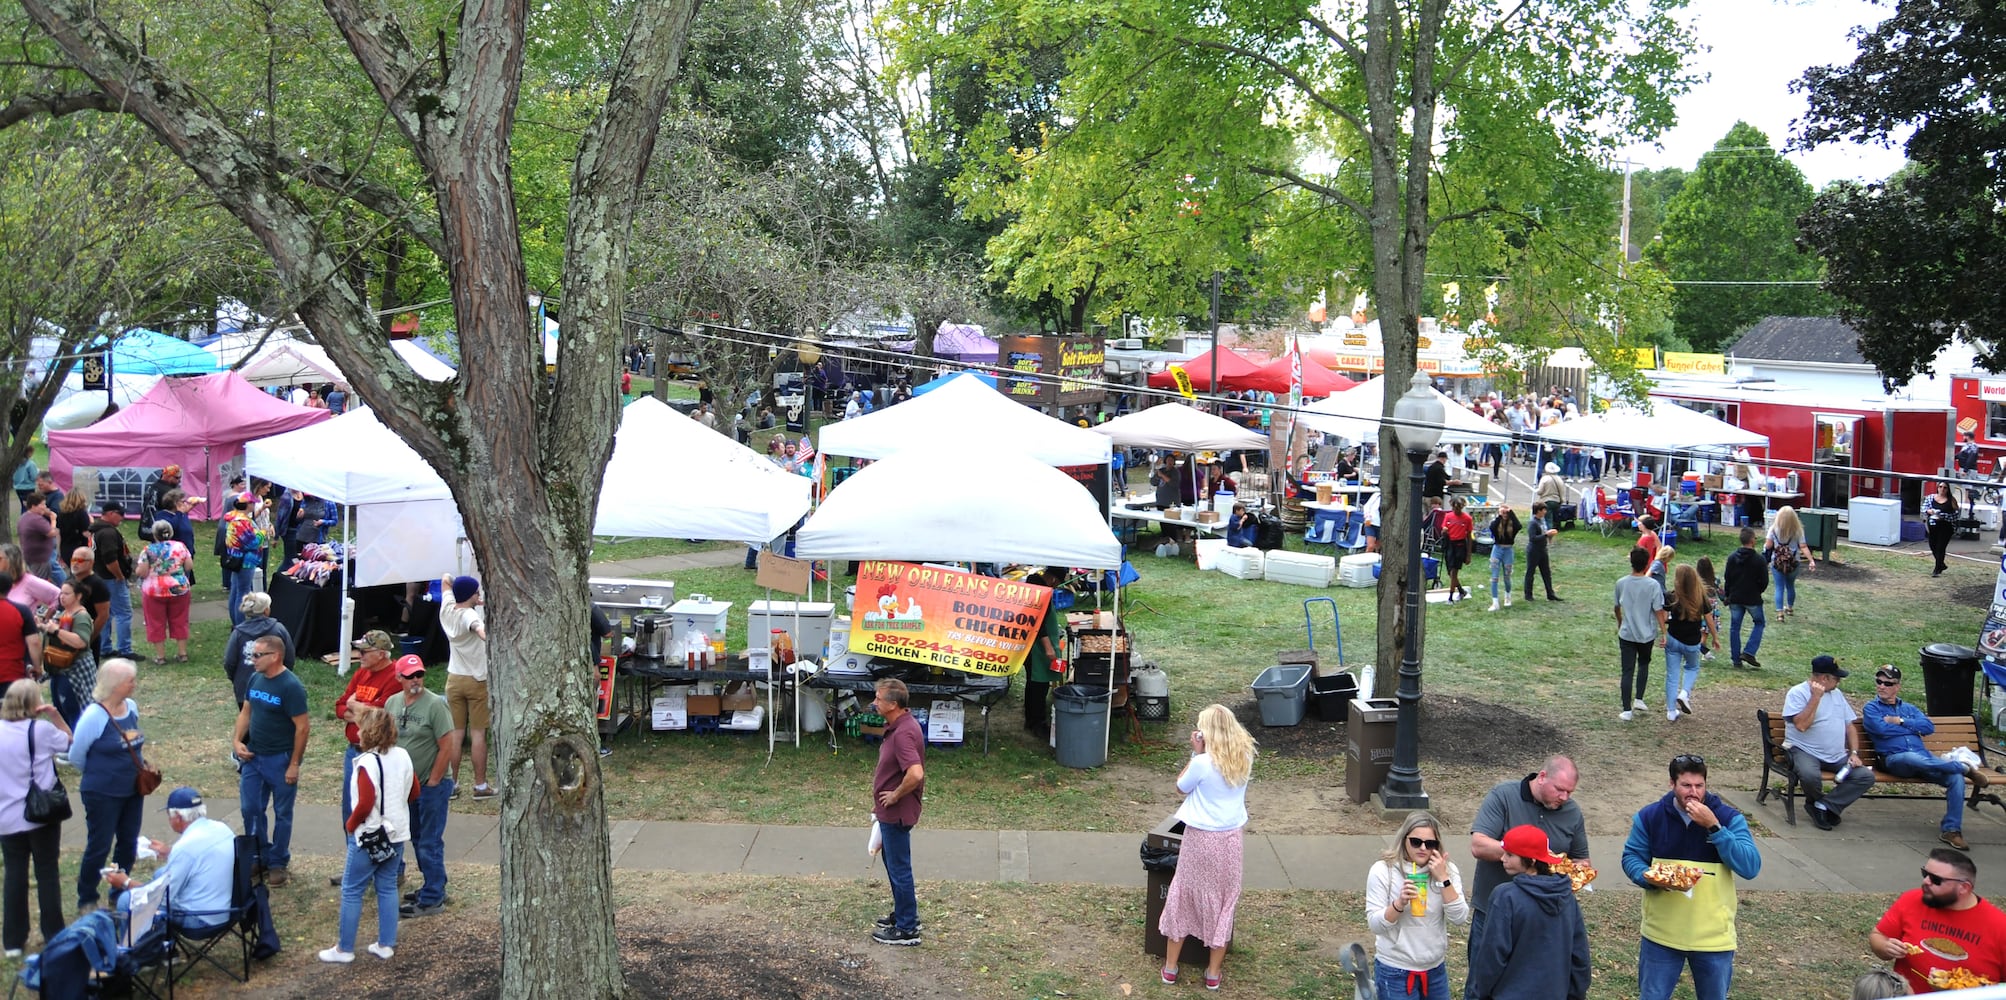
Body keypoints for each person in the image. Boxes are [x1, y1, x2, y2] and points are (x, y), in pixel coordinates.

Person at [1620, 754, 1762, 1000]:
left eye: (1699, 786)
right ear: (1672, 784)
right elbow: (1631, 857)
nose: (1693, 792)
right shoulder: (1650, 817)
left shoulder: (1729, 818)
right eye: (1686, 785)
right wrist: (1648, 877)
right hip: (1661, 936)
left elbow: (1750, 867)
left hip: (1714, 940)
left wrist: (1714, 827)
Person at [1157, 704, 1256, 990]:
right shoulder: (1245, 756)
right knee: (1223, 899)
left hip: (1200, 838)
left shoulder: (1202, 762)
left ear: (1206, 732)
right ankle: (1213, 972)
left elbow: (1180, 787)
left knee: (1184, 895)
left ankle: (1171, 967)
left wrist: (1196, 753)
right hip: (1230, 839)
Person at [1466, 756, 1590, 969]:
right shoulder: (1504, 796)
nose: (1564, 797)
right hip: (1493, 912)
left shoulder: (1572, 812)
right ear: (1542, 777)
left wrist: (1575, 873)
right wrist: (1528, 853)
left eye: (1570, 792)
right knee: (1483, 977)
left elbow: (1581, 861)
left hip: (1544, 915)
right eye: (1560, 789)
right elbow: (1479, 845)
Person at [1861, 664, 1994, 850]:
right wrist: (1910, 727)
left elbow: (1928, 728)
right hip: (1894, 759)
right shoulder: (1871, 708)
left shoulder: (1908, 709)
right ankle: (1963, 768)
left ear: (1897, 686)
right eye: (1879, 682)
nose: (1882, 686)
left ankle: (1952, 830)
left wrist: (1901, 721)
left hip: (1924, 760)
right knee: (1911, 757)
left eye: (1887, 683)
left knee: (1955, 779)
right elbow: (1880, 729)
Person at [320, 706, 414, 964]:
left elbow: (364, 803)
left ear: (369, 732)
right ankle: (386, 943)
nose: (358, 731)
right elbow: (414, 791)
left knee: (352, 890)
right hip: (396, 835)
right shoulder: (403, 756)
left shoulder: (366, 763)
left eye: (361, 727)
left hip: (370, 835)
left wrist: (351, 825)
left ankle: (344, 949)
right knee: (386, 887)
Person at [1464, 824, 1591, 1000]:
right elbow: (1579, 955)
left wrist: (1480, 992)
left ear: (1531, 861)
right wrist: (1576, 993)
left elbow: (1492, 955)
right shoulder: (1567, 897)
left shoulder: (1505, 897)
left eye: (1510, 854)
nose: (1502, 858)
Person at [1869, 847, 2006, 994]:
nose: (1926, 881)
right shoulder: (1911, 900)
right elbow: (1878, 935)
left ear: (1964, 888)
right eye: (1925, 873)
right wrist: (1885, 947)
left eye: (1936, 879)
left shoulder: (1999, 926)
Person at [69, 659, 147, 914]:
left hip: (133, 790)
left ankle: (119, 890)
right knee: (99, 845)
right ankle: (87, 898)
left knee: (127, 843)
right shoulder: (95, 716)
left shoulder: (132, 707)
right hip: (102, 794)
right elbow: (76, 756)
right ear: (115, 686)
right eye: (130, 681)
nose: (135, 685)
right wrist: (101, 775)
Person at [1366, 811, 1469, 1000]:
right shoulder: (1383, 871)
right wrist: (1399, 904)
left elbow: (1459, 918)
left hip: (1435, 968)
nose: (1423, 848)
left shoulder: (1447, 870)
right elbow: (1374, 925)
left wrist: (1443, 879)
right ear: (1404, 839)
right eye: (1416, 842)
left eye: (1430, 844)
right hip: (1395, 969)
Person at [102, 786, 235, 931]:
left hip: (200, 918)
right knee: (161, 873)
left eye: (169, 815)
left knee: (127, 900)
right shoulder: (221, 828)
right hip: (228, 909)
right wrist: (169, 852)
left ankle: (135, 950)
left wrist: (126, 882)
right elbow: (203, 856)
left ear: (178, 817)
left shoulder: (185, 847)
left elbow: (163, 897)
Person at [384, 655, 457, 918]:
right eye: (410, 676)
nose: (416, 680)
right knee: (416, 837)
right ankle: (434, 885)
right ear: (398, 678)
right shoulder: (392, 702)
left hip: (431, 785)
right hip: (407, 785)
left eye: (420, 675)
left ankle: (433, 898)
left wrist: (434, 780)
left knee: (429, 841)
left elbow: (447, 744)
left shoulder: (436, 705)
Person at [233, 634, 309, 885]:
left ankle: (277, 861)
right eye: (251, 655)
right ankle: (258, 855)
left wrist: (294, 764)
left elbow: (302, 728)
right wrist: (237, 741)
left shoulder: (291, 687)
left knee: (282, 812)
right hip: (254, 757)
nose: (252, 660)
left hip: (280, 758)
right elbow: (246, 711)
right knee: (250, 808)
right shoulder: (255, 678)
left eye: (257, 655)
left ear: (275, 656)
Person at [0, 680, 67, 957]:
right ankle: (53, 933)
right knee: (47, 872)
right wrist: (54, 715)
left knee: (14, 874)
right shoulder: (41, 731)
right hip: (40, 815)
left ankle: (14, 941)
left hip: (6, 816)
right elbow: (69, 741)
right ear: (33, 704)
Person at [1783, 654, 1876, 831]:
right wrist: (1815, 698)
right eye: (1836, 678)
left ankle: (1824, 806)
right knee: (1809, 775)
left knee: (1865, 776)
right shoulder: (1797, 693)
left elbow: (1849, 726)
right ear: (1824, 678)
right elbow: (1802, 725)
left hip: (1836, 755)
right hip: (1804, 750)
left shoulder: (1837, 694)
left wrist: (1854, 753)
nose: (1839, 682)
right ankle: (1818, 804)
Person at [869, 678, 926, 947]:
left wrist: (893, 796)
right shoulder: (900, 725)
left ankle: (907, 928)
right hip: (889, 813)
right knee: (893, 865)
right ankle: (904, 914)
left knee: (899, 868)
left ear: (893, 704)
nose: (874, 703)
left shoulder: (903, 733)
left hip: (897, 812)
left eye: (878, 699)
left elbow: (915, 774)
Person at [335, 632, 402, 829]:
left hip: (378, 754)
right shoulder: (361, 673)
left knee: (378, 807)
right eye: (359, 650)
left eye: (365, 651)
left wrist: (353, 705)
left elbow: (382, 712)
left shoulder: (394, 677)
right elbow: (340, 707)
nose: (360, 655)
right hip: (354, 751)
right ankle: (352, 855)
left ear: (381, 654)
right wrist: (362, 711)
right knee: (349, 807)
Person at [440, 575, 494, 799]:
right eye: (475, 592)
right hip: (476, 680)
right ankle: (480, 786)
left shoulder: (447, 608)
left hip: (454, 679)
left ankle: (452, 784)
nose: (478, 595)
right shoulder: (469, 615)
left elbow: (445, 580)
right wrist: (486, 636)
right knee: (478, 734)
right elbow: (477, 628)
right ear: (469, 595)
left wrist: (458, 586)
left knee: (456, 734)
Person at [1615, 546, 1665, 721]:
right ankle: (1639, 699)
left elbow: (1617, 607)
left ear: (1631, 563)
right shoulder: (1653, 585)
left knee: (1627, 670)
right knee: (1644, 664)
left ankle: (1626, 709)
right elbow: (1658, 610)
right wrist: (1664, 632)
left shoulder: (1621, 583)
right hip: (1647, 634)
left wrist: (1620, 623)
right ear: (1647, 564)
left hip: (1627, 633)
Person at [38, 580, 96, 730]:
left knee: (73, 709)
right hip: (59, 670)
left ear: (78, 596)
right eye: (61, 593)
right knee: (61, 708)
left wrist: (56, 631)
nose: (62, 597)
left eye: (66, 594)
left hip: (74, 671)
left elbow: (81, 641)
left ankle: (76, 745)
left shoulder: (81, 616)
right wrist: (42, 626)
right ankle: (67, 743)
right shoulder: (64, 613)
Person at [1662, 565, 1717, 723]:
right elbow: (1709, 620)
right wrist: (1715, 638)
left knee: (1672, 675)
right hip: (1692, 642)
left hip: (1673, 639)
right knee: (1692, 667)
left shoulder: (1671, 596)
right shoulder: (1701, 597)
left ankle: (1671, 711)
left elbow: (1664, 617)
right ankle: (1684, 693)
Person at [135, 520, 194, 666]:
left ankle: (160, 656)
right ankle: (182, 653)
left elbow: (142, 572)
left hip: (154, 591)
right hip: (179, 588)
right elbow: (189, 566)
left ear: (154, 534)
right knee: (180, 619)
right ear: (171, 532)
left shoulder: (147, 550)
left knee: (155, 622)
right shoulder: (180, 546)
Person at [223, 591, 294, 707]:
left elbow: (229, 662)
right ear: (266, 610)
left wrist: (236, 679)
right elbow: (289, 657)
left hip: (245, 689)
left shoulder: (238, 633)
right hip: (275, 688)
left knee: (247, 721)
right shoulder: (278, 629)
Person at [1020, 571, 1065, 741]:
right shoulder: (1042, 592)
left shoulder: (1032, 584)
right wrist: (1048, 648)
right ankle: (1037, 723)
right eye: (1057, 584)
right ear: (1053, 578)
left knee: (1033, 683)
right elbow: (1038, 623)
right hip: (1037, 648)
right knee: (1038, 686)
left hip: (1031, 645)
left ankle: (1031, 720)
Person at [89, 502, 134, 658]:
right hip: (111, 578)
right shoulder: (108, 533)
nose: (122, 517)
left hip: (99, 577)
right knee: (123, 613)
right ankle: (125, 649)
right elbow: (110, 559)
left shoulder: (97, 530)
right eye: (120, 514)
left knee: (105, 614)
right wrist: (120, 576)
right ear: (110, 513)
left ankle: (104, 647)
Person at [220, 492, 269, 628]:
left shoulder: (232, 517)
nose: (254, 505)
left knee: (235, 591)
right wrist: (263, 532)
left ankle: (235, 623)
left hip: (235, 558)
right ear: (248, 505)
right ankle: (241, 626)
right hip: (246, 561)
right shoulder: (243, 522)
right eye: (253, 503)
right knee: (242, 594)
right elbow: (252, 543)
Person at [1721, 528, 1767, 669]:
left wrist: (1728, 595)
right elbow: (1764, 581)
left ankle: (1736, 659)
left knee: (1735, 628)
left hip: (1735, 597)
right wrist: (1757, 591)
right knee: (1759, 623)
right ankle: (1749, 651)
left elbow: (1727, 578)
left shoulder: (1732, 558)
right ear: (1752, 540)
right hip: (1752, 598)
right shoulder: (1759, 560)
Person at [1765, 505, 1816, 619]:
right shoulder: (1798, 530)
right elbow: (1803, 546)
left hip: (1777, 562)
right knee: (1790, 585)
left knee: (1779, 587)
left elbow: (1768, 545)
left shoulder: (1773, 529)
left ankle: (1779, 613)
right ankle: (1790, 607)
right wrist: (1811, 560)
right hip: (1793, 562)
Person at [0, 572, 42, 688]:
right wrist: (37, 667)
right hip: (13, 674)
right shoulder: (22, 611)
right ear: (11, 588)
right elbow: (34, 642)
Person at [1521, 501, 1560, 601]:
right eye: (1544, 510)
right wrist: (1546, 535)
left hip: (1543, 549)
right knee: (1531, 572)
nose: (1545, 512)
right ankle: (1528, 594)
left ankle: (1550, 593)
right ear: (1538, 511)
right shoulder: (1533, 523)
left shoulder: (1542, 521)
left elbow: (1544, 533)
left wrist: (1549, 537)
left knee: (1546, 572)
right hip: (1534, 551)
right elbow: (1533, 538)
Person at [1487, 506, 1521, 612]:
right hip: (1497, 549)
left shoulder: (1513, 526)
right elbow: (1492, 527)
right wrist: (1499, 516)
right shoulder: (1497, 523)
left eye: (1506, 513)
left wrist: (1511, 512)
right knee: (1494, 577)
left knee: (1507, 576)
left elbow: (1519, 526)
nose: (1505, 514)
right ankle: (1495, 602)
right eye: (1503, 513)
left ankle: (1507, 596)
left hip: (1508, 550)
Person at [14, 494, 54, 584]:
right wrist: (53, 519)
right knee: (39, 582)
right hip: (39, 558)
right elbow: (51, 532)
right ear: (33, 506)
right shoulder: (36, 520)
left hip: (29, 556)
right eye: (43, 504)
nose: (45, 507)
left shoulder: (23, 517)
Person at [1923, 480, 1960, 577]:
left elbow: (1956, 515)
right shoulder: (1930, 498)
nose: (1942, 489)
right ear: (1937, 487)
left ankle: (1937, 569)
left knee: (1940, 547)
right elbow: (1923, 509)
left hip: (1946, 527)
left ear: (1948, 489)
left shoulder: (1951, 500)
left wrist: (1942, 516)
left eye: (1945, 487)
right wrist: (1929, 511)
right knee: (1932, 546)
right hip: (1933, 525)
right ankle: (1941, 564)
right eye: (1940, 487)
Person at [1441, 496, 1474, 602]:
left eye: (1459, 508)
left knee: (1454, 571)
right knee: (1449, 571)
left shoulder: (1467, 519)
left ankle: (1450, 596)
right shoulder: (1448, 516)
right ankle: (1461, 590)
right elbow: (1443, 530)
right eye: (1455, 508)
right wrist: (1444, 531)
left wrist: (1469, 554)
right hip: (1450, 544)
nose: (1456, 511)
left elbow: (1469, 536)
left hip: (1460, 546)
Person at [53, 492, 92, 581]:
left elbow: (58, 533)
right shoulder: (82, 514)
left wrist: (59, 551)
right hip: (80, 548)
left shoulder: (61, 514)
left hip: (66, 548)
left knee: (73, 573)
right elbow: (86, 533)